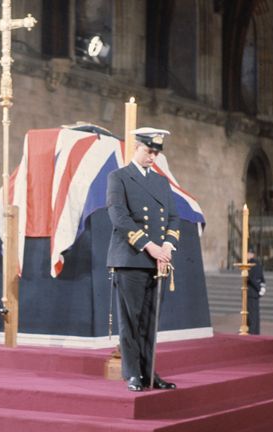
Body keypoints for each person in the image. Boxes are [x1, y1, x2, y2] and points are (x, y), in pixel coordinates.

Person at [106, 127, 179, 392]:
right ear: (137, 147)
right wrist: (150, 246)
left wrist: (168, 246)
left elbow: (173, 217)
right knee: (131, 320)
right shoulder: (119, 177)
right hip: (131, 258)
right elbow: (119, 217)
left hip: (159, 261)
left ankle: (149, 373)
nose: (153, 157)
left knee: (150, 320)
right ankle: (133, 373)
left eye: (156, 153)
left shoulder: (161, 182)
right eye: (149, 151)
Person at [247, 247, 266, 335]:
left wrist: (259, 288)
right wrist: (262, 288)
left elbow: (251, 278)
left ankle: (251, 331)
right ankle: (256, 331)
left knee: (251, 314)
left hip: (251, 291)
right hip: (256, 292)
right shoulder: (258, 263)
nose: (246, 255)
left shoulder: (250, 264)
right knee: (255, 313)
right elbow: (262, 278)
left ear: (251, 254)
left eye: (247, 253)